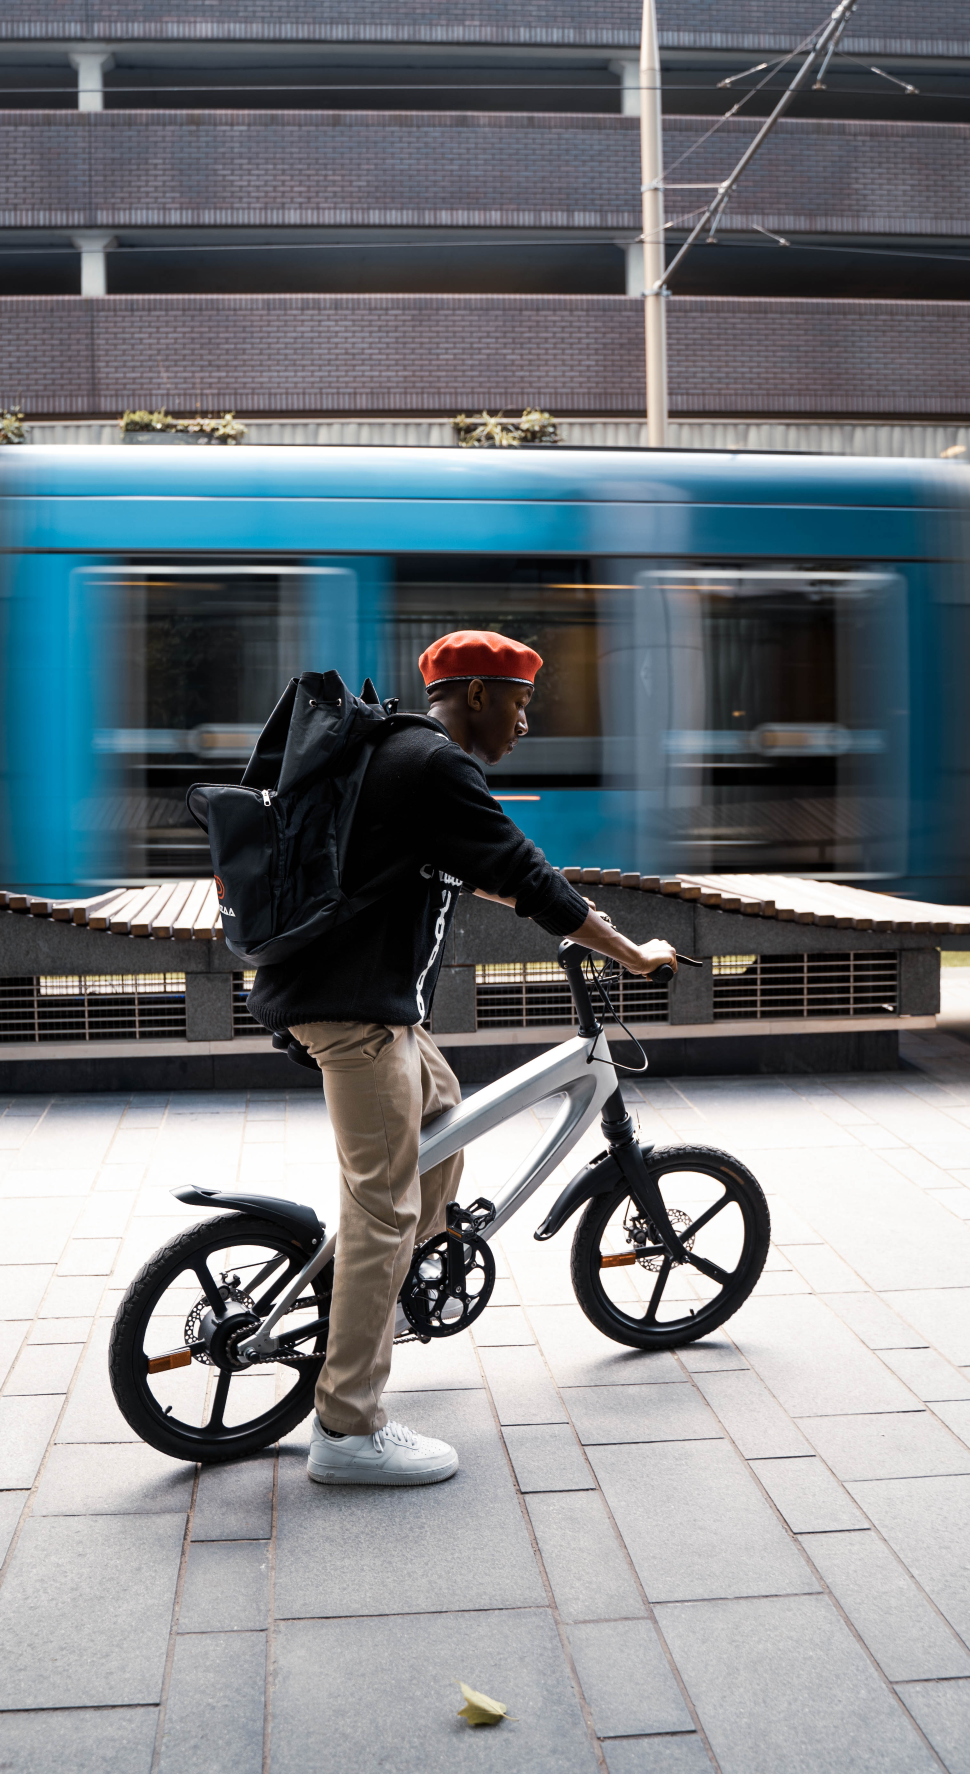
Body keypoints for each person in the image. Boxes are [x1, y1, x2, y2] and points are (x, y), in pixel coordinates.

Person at [246, 630, 676, 1486]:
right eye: (519, 703)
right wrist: (631, 953)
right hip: (354, 1011)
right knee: (383, 1209)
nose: (524, 723)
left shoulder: (399, 753)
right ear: (477, 696)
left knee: (443, 1116)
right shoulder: (437, 765)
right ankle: (348, 1429)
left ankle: (392, 1298)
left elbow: (459, 862)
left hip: (371, 1004)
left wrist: (512, 890)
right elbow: (526, 872)